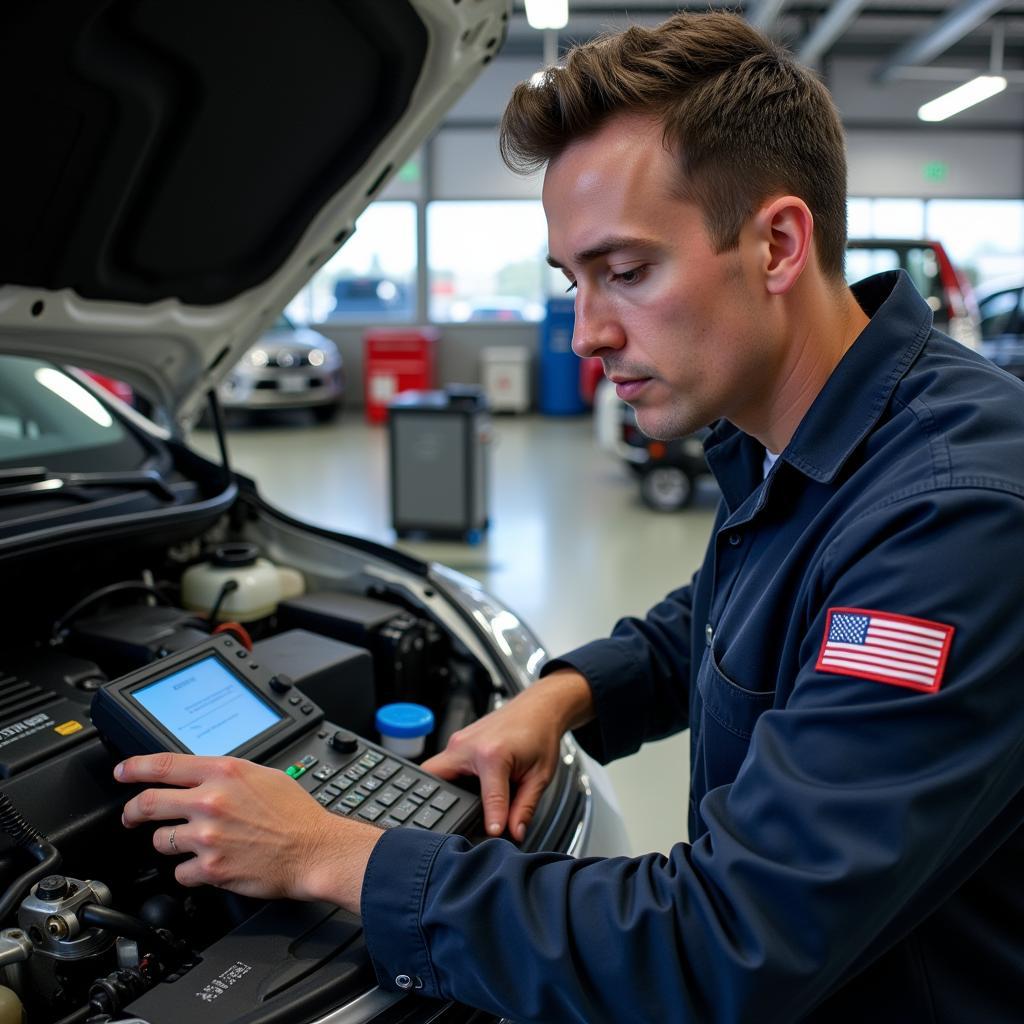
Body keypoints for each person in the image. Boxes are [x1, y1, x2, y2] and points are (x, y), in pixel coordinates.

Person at [116, 12, 1024, 1023]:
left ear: (775, 242)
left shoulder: (954, 517)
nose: (587, 332)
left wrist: (336, 854)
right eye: (571, 281)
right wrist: (564, 695)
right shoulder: (807, 434)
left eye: (627, 272)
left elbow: (728, 944)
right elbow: (742, 613)